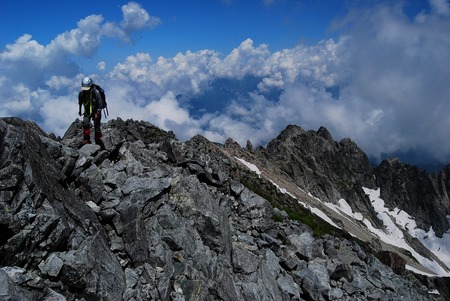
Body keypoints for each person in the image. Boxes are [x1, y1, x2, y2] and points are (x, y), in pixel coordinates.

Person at [78, 76, 104, 145]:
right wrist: (80, 110)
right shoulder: (81, 93)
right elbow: (80, 102)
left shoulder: (96, 92)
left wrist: (97, 113)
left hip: (96, 111)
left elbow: (100, 103)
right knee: (85, 123)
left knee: (97, 125)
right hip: (87, 111)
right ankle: (86, 139)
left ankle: (97, 139)